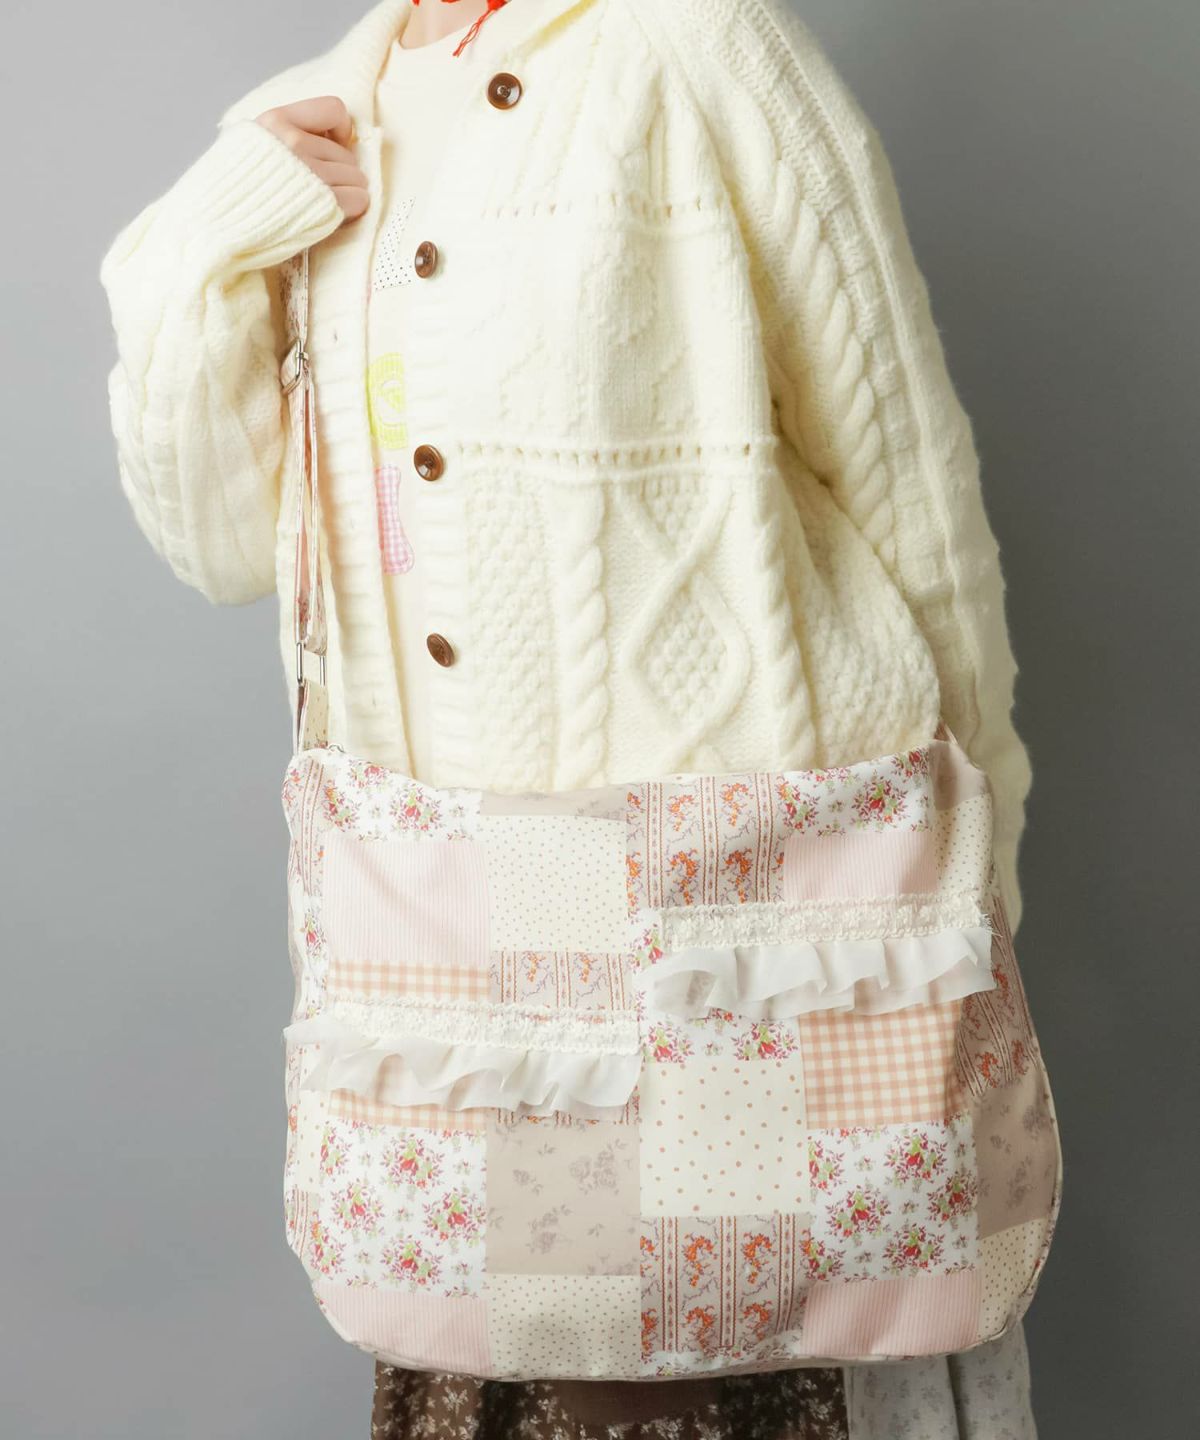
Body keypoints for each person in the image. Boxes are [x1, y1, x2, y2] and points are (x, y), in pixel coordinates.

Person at [98, 1, 1040, 1436]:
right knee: (520, 1351)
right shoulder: (314, 116)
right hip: (462, 959)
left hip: (735, 928)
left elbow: (909, 483)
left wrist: (974, 881)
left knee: (719, 1352)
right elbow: (222, 546)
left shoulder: (699, 46)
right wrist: (199, 246)